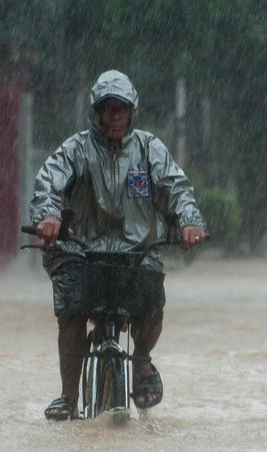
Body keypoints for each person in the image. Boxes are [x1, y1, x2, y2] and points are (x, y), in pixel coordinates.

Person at [29, 70, 207, 420]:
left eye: (120, 109)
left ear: (131, 112)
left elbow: (177, 189)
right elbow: (48, 184)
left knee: (152, 301)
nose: (114, 117)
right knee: (72, 312)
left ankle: (141, 362)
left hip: (135, 254)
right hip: (81, 252)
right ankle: (68, 396)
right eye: (107, 109)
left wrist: (189, 221)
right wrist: (49, 216)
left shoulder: (149, 149)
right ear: (96, 113)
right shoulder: (76, 149)